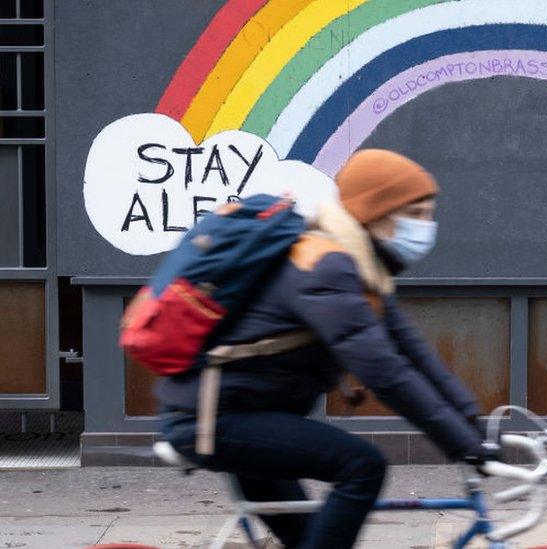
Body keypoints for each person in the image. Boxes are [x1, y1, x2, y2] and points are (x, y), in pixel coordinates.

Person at [156, 149, 488, 548]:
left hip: (244, 416)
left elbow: (415, 355)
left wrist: (476, 426)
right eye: (415, 214)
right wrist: (465, 448)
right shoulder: (325, 268)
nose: (426, 226)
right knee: (362, 466)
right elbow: (386, 373)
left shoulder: (361, 270)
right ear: (374, 214)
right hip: (213, 421)